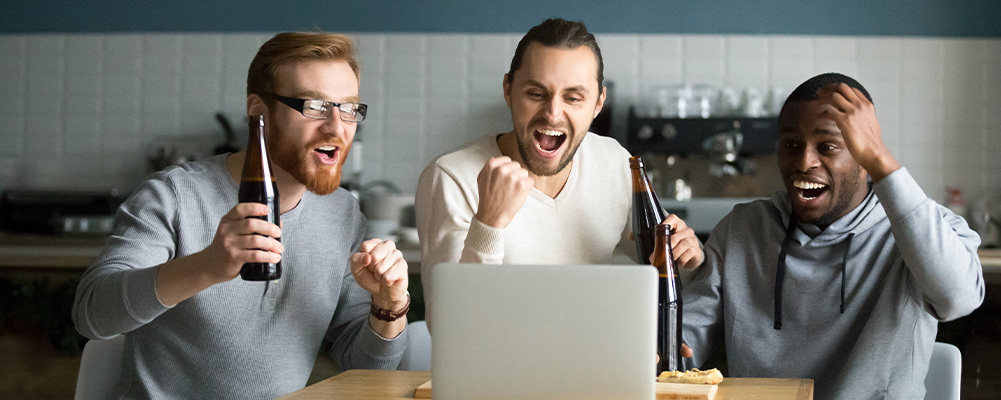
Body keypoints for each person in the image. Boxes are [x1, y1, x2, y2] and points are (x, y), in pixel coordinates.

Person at [72, 32, 410, 399]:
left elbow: (365, 367)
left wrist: (389, 307)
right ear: (258, 111)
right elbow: (92, 315)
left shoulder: (342, 213)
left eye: (348, 108)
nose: (336, 127)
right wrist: (207, 266)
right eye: (313, 106)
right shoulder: (173, 196)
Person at [680, 73, 985, 399]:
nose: (804, 162)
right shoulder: (743, 229)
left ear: (865, 156)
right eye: (791, 145)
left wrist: (883, 160)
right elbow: (681, 350)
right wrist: (669, 275)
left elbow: (958, 299)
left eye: (827, 146)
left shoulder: (921, 230)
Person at [415, 18, 703, 325]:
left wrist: (690, 258)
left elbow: (670, 277)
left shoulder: (614, 163)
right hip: (496, 371)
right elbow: (449, 327)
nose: (553, 113)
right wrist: (489, 223)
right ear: (508, 90)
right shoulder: (452, 177)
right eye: (536, 94)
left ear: (598, 104)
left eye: (573, 98)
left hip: (591, 364)